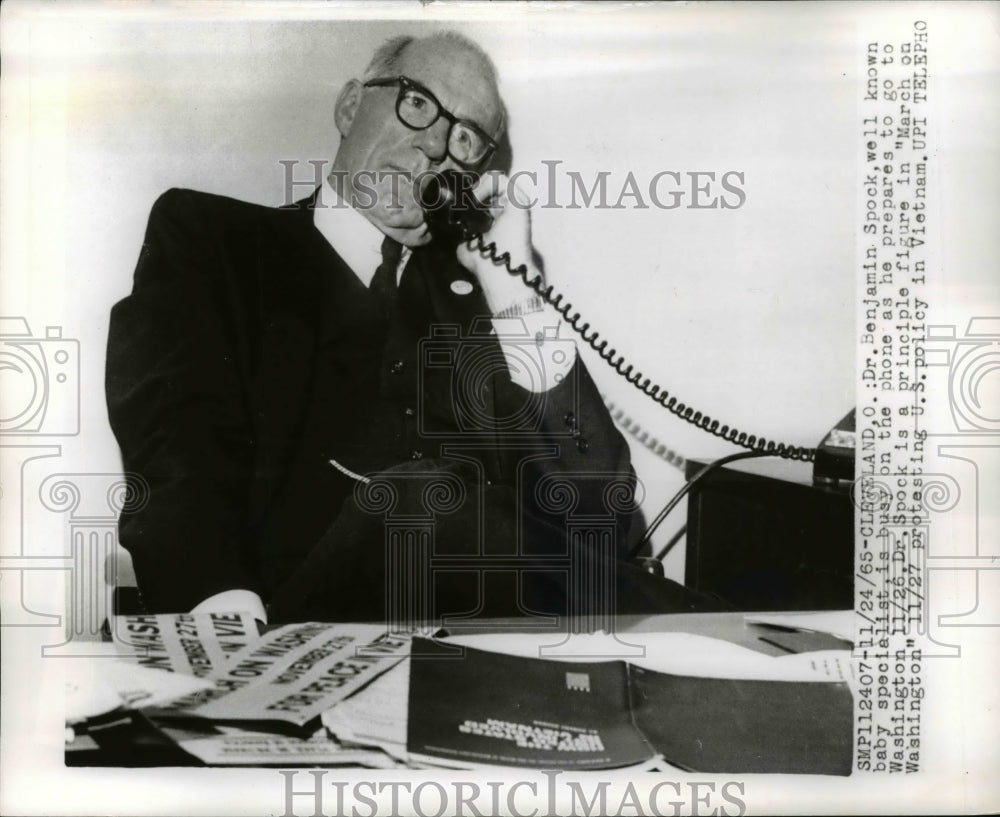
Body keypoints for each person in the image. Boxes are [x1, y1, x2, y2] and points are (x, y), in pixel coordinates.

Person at [106, 31, 721, 626]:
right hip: (287, 620)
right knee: (415, 500)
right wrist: (225, 617)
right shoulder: (216, 241)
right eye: (418, 103)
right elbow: (175, 437)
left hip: (471, 653)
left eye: (467, 139)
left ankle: (728, 641)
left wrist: (512, 287)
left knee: (428, 501)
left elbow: (600, 512)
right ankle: (721, 634)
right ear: (351, 105)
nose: (434, 146)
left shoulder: (489, 310)